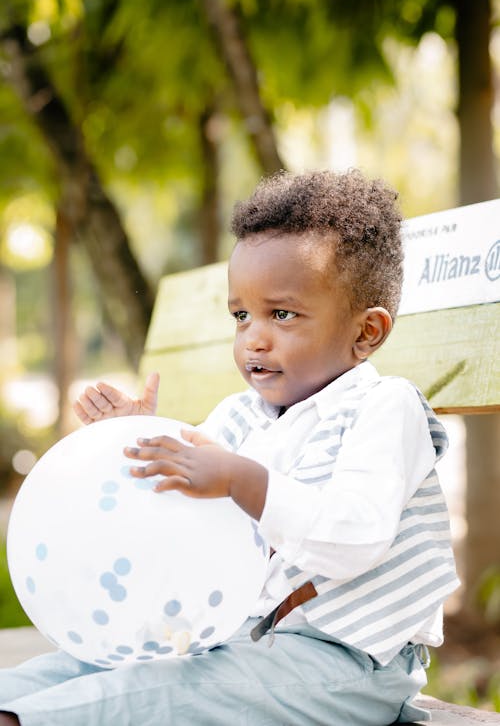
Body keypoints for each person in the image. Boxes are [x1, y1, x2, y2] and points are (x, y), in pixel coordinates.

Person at [0, 170, 459, 726]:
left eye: (282, 314)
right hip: (241, 645)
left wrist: (241, 480)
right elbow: (198, 521)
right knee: (68, 671)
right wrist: (139, 444)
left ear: (367, 332)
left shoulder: (386, 408)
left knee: (160, 693)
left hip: (352, 664)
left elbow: (354, 539)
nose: (254, 338)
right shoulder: (241, 415)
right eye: (241, 315)